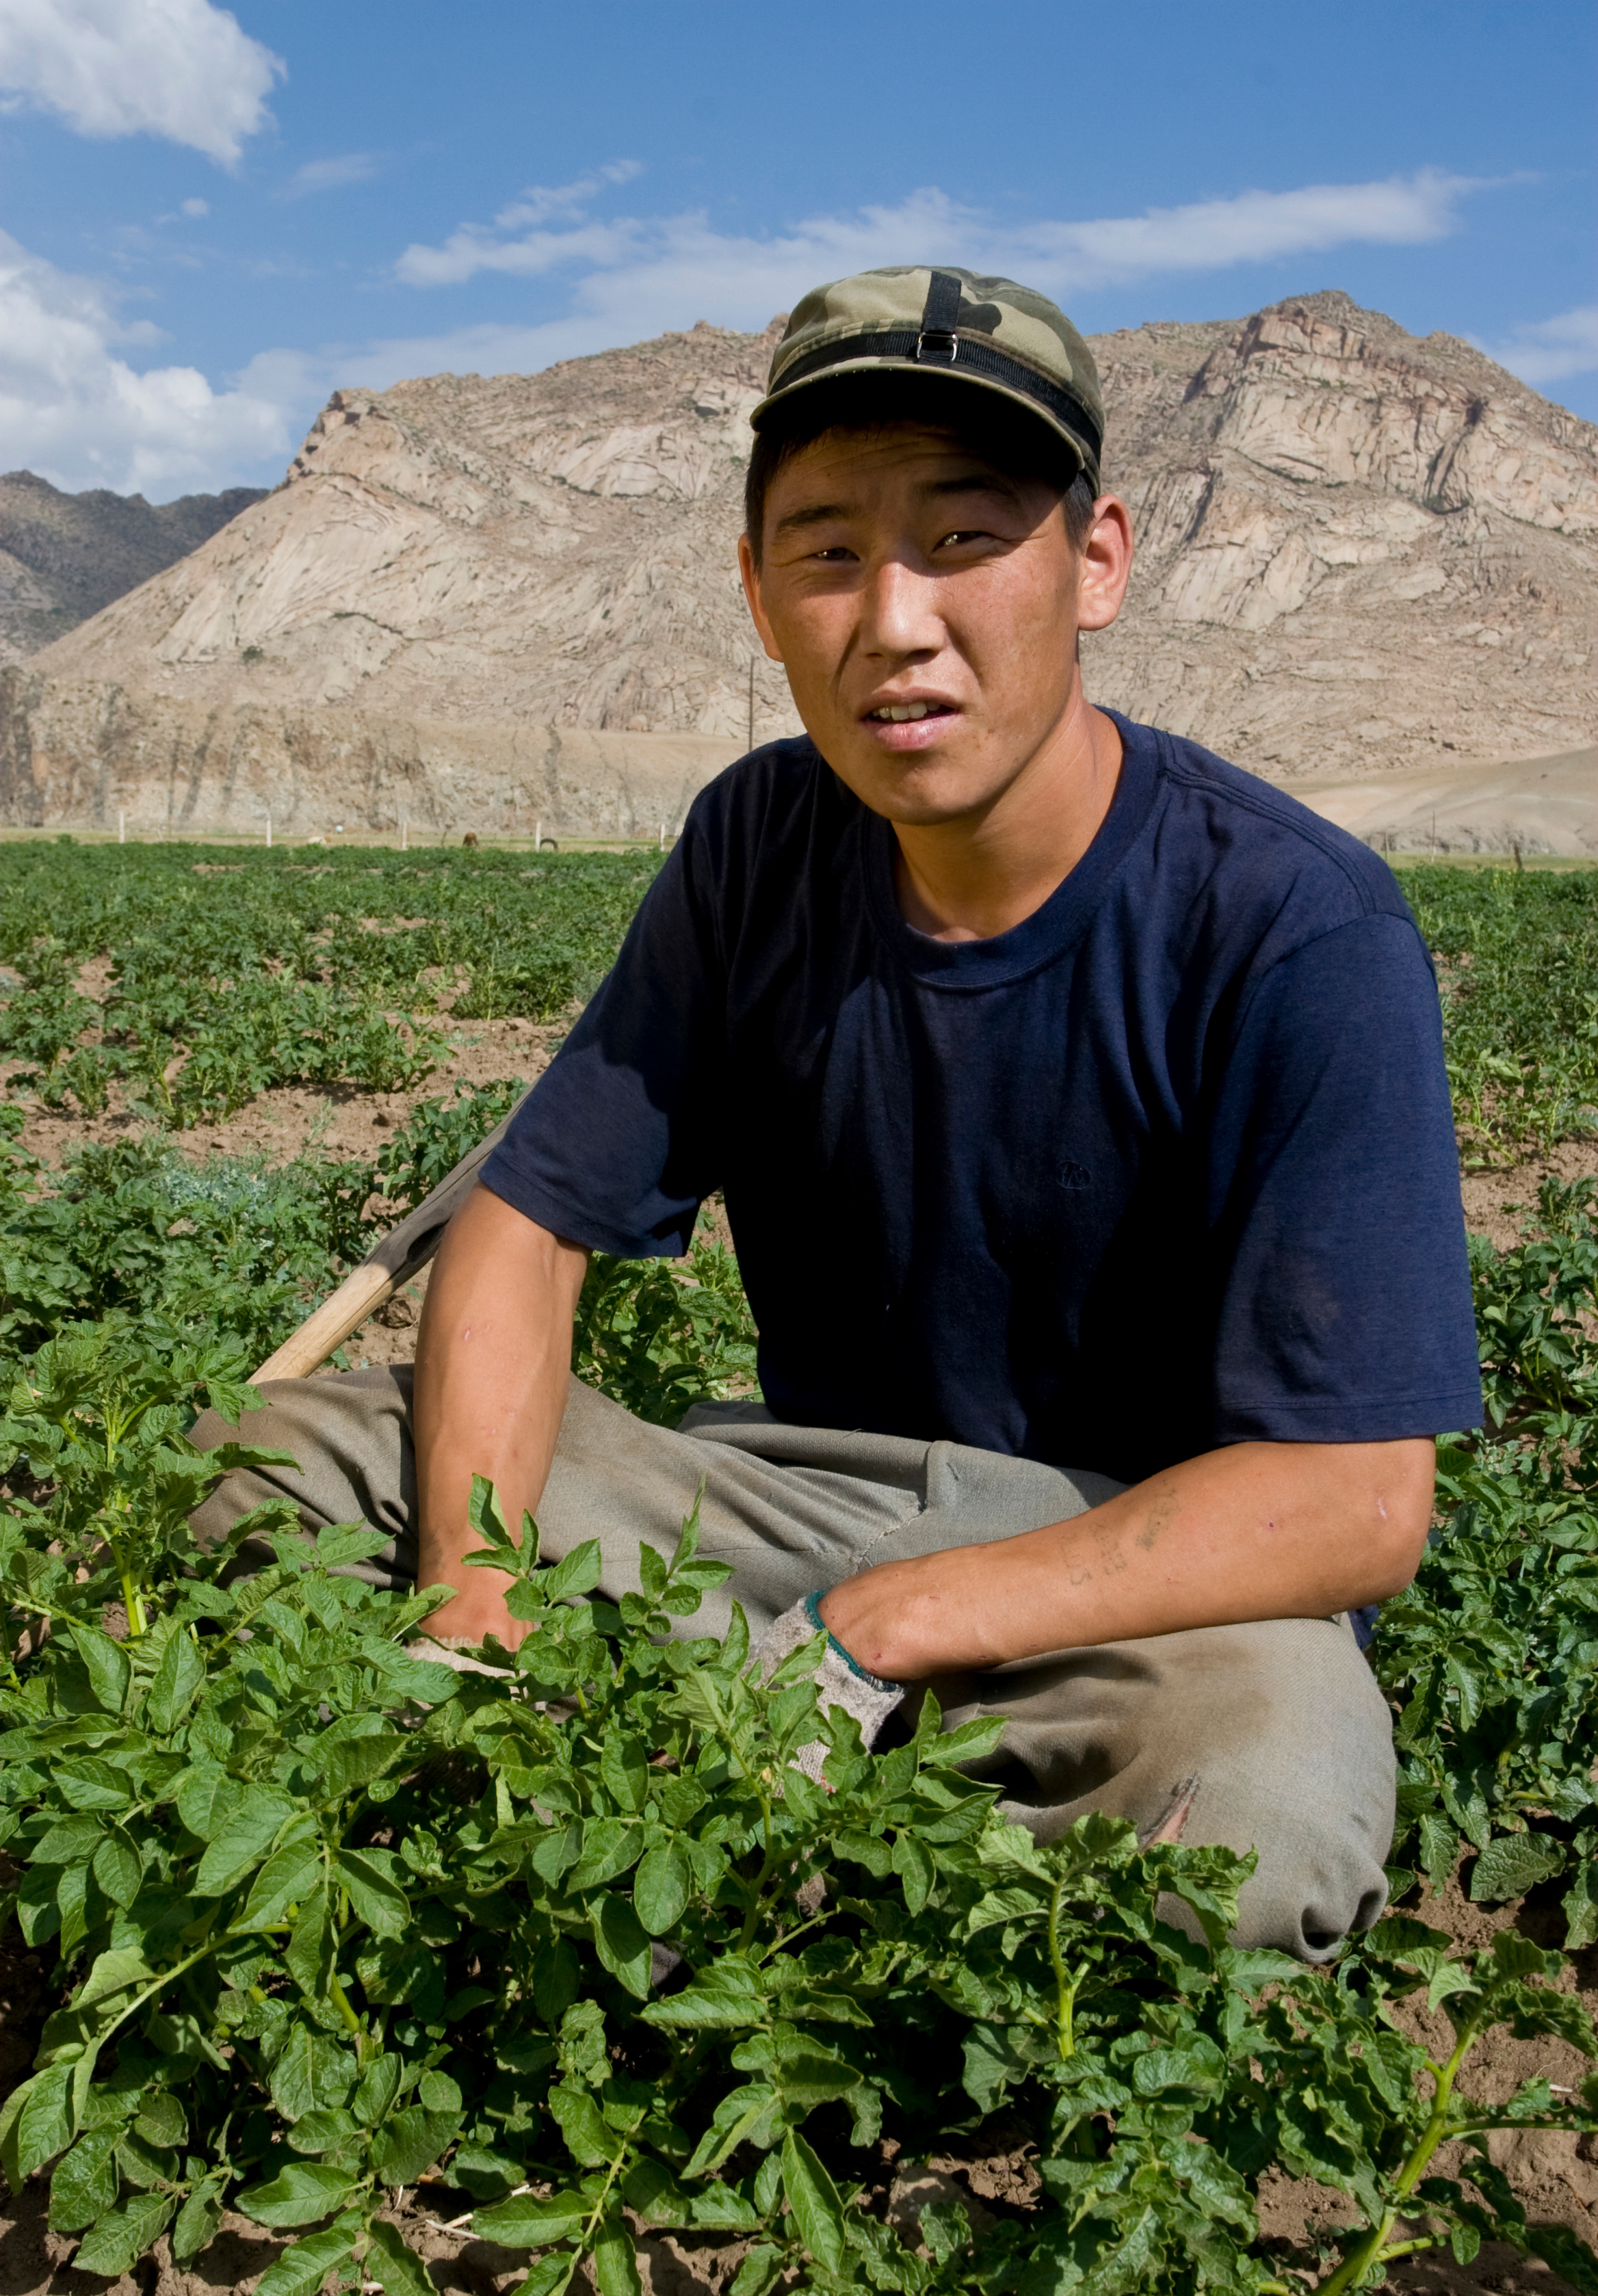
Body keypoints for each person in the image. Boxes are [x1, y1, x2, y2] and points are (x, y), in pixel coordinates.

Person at [192, 266, 1482, 1962]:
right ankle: (782, 1836)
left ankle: (695, 1842)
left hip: (1142, 1577)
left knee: (1245, 1832)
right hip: (798, 1504)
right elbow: (522, 1223)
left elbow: (1353, 1503)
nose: (893, 618)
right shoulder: (758, 847)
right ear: (755, 587)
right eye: (826, 552)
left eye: (963, 540)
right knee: (269, 1458)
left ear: (1095, 563)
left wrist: (891, 1623)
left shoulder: (1297, 928)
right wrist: (478, 1595)